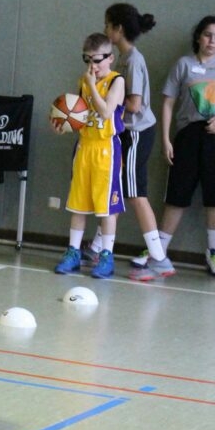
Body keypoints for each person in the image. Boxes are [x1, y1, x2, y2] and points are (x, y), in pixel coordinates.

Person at [82, 3, 175, 282]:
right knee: (117, 189)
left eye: (107, 24)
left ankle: (159, 258)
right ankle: (98, 248)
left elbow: (134, 104)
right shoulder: (122, 58)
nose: (104, 29)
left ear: (117, 29)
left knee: (135, 193)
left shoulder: (133, 60)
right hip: (123, 134)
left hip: (136, 133)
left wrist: (106, 103)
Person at [153, 16, 215, 276]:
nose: (211, 41)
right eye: (207, 35)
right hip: (188, 136)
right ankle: (158, 251)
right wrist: (166, 139)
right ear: (198, 37)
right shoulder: (183, 65)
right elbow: (168, 102)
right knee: (177, 193)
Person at [53, 32, 126, 279]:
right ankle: (73, 253)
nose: (92, 66)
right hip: (84, 147)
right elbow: (81, 116)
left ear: (110, 58)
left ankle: (106, 256)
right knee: (79, 204)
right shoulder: (83, 82)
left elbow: (105, 112)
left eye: (97, 60)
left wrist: (92, 85)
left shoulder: (116, 81)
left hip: (106, 149)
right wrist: (65, 125)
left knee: (106, 208)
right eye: (87, 60)